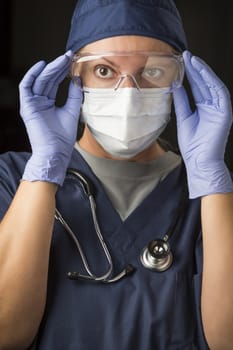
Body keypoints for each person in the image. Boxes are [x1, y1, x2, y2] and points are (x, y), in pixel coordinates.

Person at [0, 0, 233, 349]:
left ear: (179, 79)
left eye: (152, 71)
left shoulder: (211, 198)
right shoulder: (12, 179)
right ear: (75, 75)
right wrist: (44, 173)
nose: (128, 94)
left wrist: (211, 180)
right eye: (105, 71)